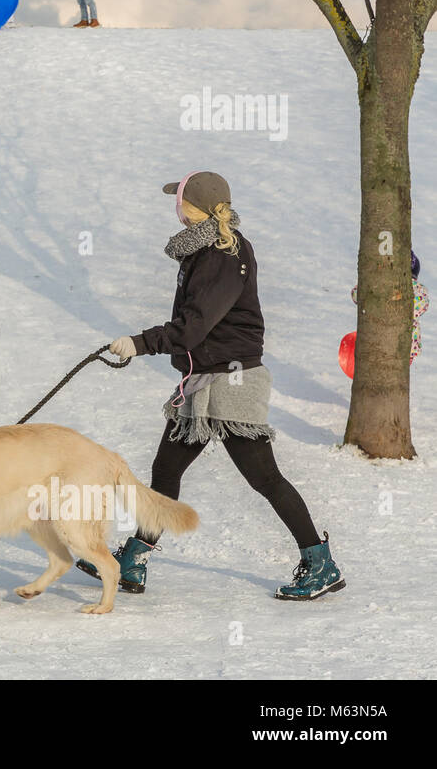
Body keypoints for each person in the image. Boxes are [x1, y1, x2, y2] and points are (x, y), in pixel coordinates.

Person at [90, 172, 344, 601]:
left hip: (231, 382)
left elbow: (191, 327)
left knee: (264, 477)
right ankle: (133, 560)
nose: (175, 207)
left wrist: (138, 343)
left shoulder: (223, 255)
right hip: (204, 378)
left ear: (196, 206)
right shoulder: (205, 249)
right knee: (166, 469)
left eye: (180, 199)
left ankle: (321, 563)